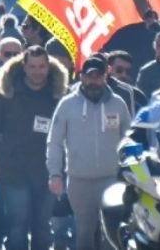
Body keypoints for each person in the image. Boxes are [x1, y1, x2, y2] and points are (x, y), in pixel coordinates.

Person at [0, 46, 68, 250]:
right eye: (32, 67)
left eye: (41, 66)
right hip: (14, 171)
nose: (37, 71)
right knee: (17, 224)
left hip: (47, 171)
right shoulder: (7, 93)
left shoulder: (60, 96)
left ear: (48, 66)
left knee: (41, 226)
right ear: (24, 66)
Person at [46, 55, 129, 249]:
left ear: (105, 77)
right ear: (82, 77)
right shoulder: (67, 105)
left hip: (111, 179)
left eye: (98, 76)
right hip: (79, 181)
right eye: (89, 76)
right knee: (84, 233)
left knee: (111, 234)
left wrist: (131, 172)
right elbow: (55, 141)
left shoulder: (118, 104)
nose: (93, 80)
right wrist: (55, 174)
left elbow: (129, 140)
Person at [106, 51, 148, 117]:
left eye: (128, 72)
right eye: (119, 70)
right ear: (108, 70)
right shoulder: (99, 93)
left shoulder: (138, 96)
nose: (124, 75)